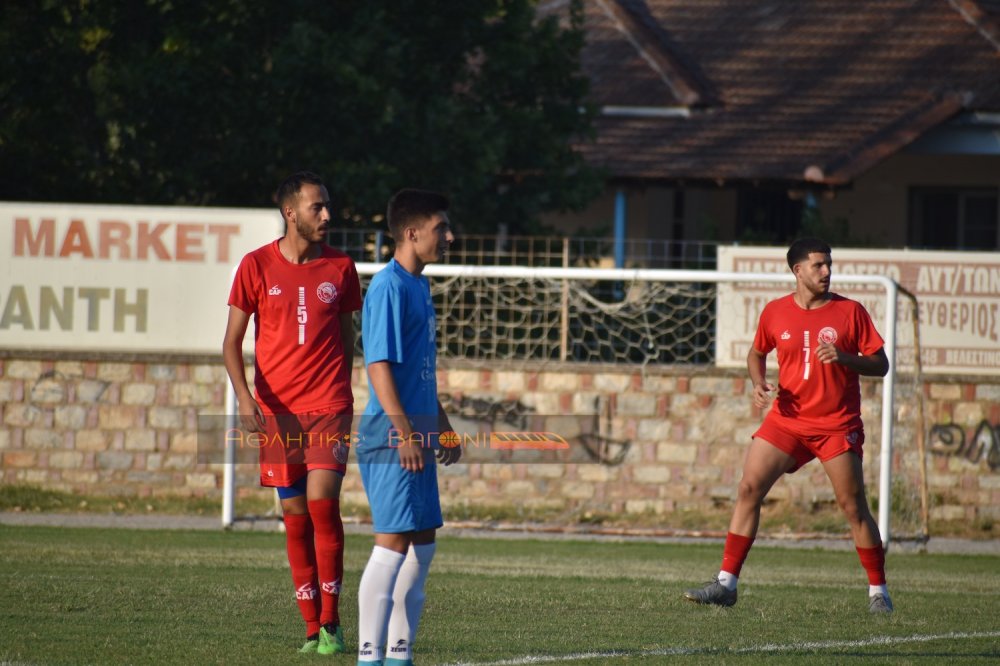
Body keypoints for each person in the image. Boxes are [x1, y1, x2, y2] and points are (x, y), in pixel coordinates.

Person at [684, 237, 894, 614]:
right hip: (787, 420)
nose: (827, 271)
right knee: (749, 487)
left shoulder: (851, 312)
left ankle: (878, 591)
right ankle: (726, 584)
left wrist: (845, 357)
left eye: (829, 264)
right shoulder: (775, 311)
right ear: (798, 271)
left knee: (852, 507)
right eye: (818, 265)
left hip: (835, 425)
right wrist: (758, 383)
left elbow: (881, 364)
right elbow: (756, 353)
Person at [222, 171, 361, 654]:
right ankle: (309, 628)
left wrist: (341, 390)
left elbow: (346, 340)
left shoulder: (341, 267)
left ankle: (332, 622)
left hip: (328, 406)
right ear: (290, 212)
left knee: (324, 506)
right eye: (317, 207)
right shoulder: (255, 266)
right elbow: (231, 344)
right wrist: (245, 398)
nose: (328, 215)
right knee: (295, 516)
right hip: (277, 414)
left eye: (328, 206)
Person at [354, 188, 461, 666]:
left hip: (415, 433)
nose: (450, 236)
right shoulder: (388, 287)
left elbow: (417, 369)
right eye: (442, 228)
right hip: (391, 438)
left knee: (423, 543)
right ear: (413, 233)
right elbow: (377, 367)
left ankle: (399, 655)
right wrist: (404, 433)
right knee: (393, 542)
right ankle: (368, 656)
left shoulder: (420, 285)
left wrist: (442, 424)